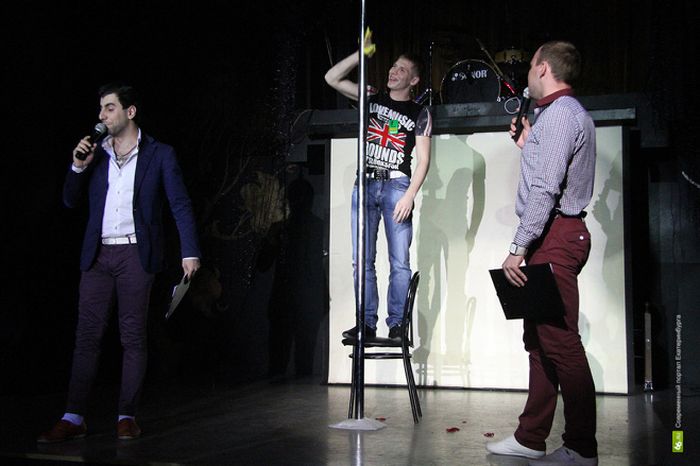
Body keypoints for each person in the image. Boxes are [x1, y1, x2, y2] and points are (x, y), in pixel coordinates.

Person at [38, 83, 201, 443]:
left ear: (130, 112)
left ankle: (126, 415)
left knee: (132, 336)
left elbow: (179, 204)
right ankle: (73, 417)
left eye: (109, 108)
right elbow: (69, 201)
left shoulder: (160, 154)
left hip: (135, 254)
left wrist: (190, 251)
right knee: (86, 337)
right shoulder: (96, 154)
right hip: (98, 254)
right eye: (100, 109)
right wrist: (77, 166)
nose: (102, 116)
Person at [485, 41, 598, 466]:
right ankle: (531, 438)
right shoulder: (556, 116)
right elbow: (549, 169)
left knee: (561, 343)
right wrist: (530, 144)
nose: (527, 74)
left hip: (555, 235)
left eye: (531, 66)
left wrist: (518, 246)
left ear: (544, 68)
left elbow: (546, 189)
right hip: (552, 235)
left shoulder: (562, 114)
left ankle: (581, 448)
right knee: (539, 340)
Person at [324, 34, 432, 340]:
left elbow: (423, 160)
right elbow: (331, 78)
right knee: (362, 260)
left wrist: (409, 196)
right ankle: (366, 323)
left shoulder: (420, 113)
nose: (393, 72)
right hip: (366, 183)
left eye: (401, 69)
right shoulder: (371, 98)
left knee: (399, 262)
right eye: (393, 66)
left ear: (414, 80)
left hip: (397, 185)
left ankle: (397, 324)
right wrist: (361, 54)